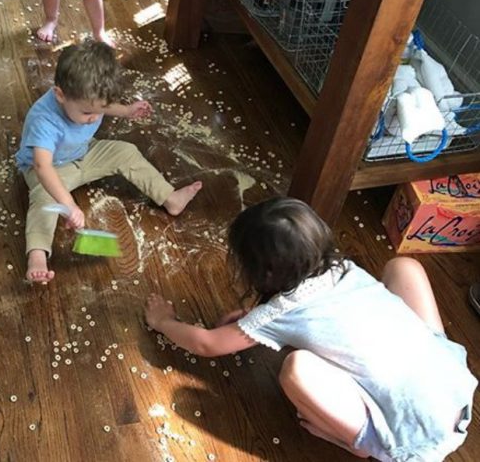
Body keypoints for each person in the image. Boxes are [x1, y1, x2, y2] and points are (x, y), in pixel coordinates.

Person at [145, 198, 477, 462]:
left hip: (411, 442)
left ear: (263, 273)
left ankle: (363, 443)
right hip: (454, 391)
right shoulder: (341, 267)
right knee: (404, 266)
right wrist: (254, 317)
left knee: (296, 368)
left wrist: (164, 322)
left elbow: (206, 344)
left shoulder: (280, 311)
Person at [15, 40, 202, 284]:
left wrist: (126, 111)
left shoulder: (89, 101)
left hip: (84, 153)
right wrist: (68, 204)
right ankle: (37, 255)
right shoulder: (44, 121)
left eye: (99, 110)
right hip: (50, 170)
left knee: (126, 151)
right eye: (86, 113)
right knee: (45, 199)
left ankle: (171, 198)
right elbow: (42, 166)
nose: (93, 117)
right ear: (60, 94)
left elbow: (101, 105)